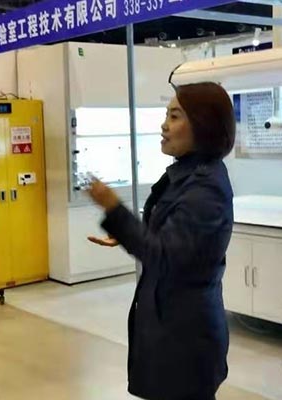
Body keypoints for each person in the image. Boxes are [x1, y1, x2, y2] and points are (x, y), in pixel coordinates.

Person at [87, 82, 235, 400]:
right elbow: (169, 236)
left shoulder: (205, 189)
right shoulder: (185, 175)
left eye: (175, 116)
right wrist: (128, 233)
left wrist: (114, 209)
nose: (164, 126)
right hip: (170, 328)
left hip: (185, 339)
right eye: (166, 115)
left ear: (203, 124)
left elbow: (165, 257)